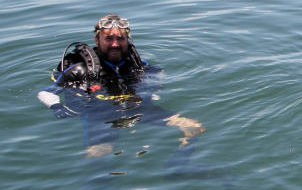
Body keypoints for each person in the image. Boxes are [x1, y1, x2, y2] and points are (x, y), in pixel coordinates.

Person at [37, 14, 205, 156]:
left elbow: (156, 84)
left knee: (194, 127)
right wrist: (56, 106)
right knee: (99, 153)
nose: (115, 44)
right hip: (100, 116)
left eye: (120, 38)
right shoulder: (79, 70)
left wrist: (153, 93)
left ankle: (178, 165)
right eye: (108, 38)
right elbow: (45, 93)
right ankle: (96, 186)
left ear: (128, 39)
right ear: (97, 39)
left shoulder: (141, 66)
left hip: (138, 110)